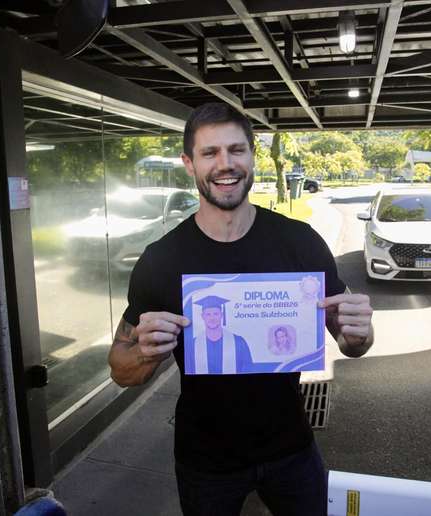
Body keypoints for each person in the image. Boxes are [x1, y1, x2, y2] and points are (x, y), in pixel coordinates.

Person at [107, 102, 374, 516]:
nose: (225, 164)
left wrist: (358, 333)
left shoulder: (299, 242)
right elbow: (119, 369)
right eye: (209, 153)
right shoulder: (161, 260)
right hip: (205, 461)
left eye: (236, 150)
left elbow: (352, 342)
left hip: (293, 449)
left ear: (253, 157)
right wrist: (144, 350)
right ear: (189, 164)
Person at [187, 295, 253, 374]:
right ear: (203, 316)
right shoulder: (192, 345)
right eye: (208, 314)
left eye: (216, 314)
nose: (212, 318)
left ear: (221, 315)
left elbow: (248, 370)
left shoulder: (239, 342)